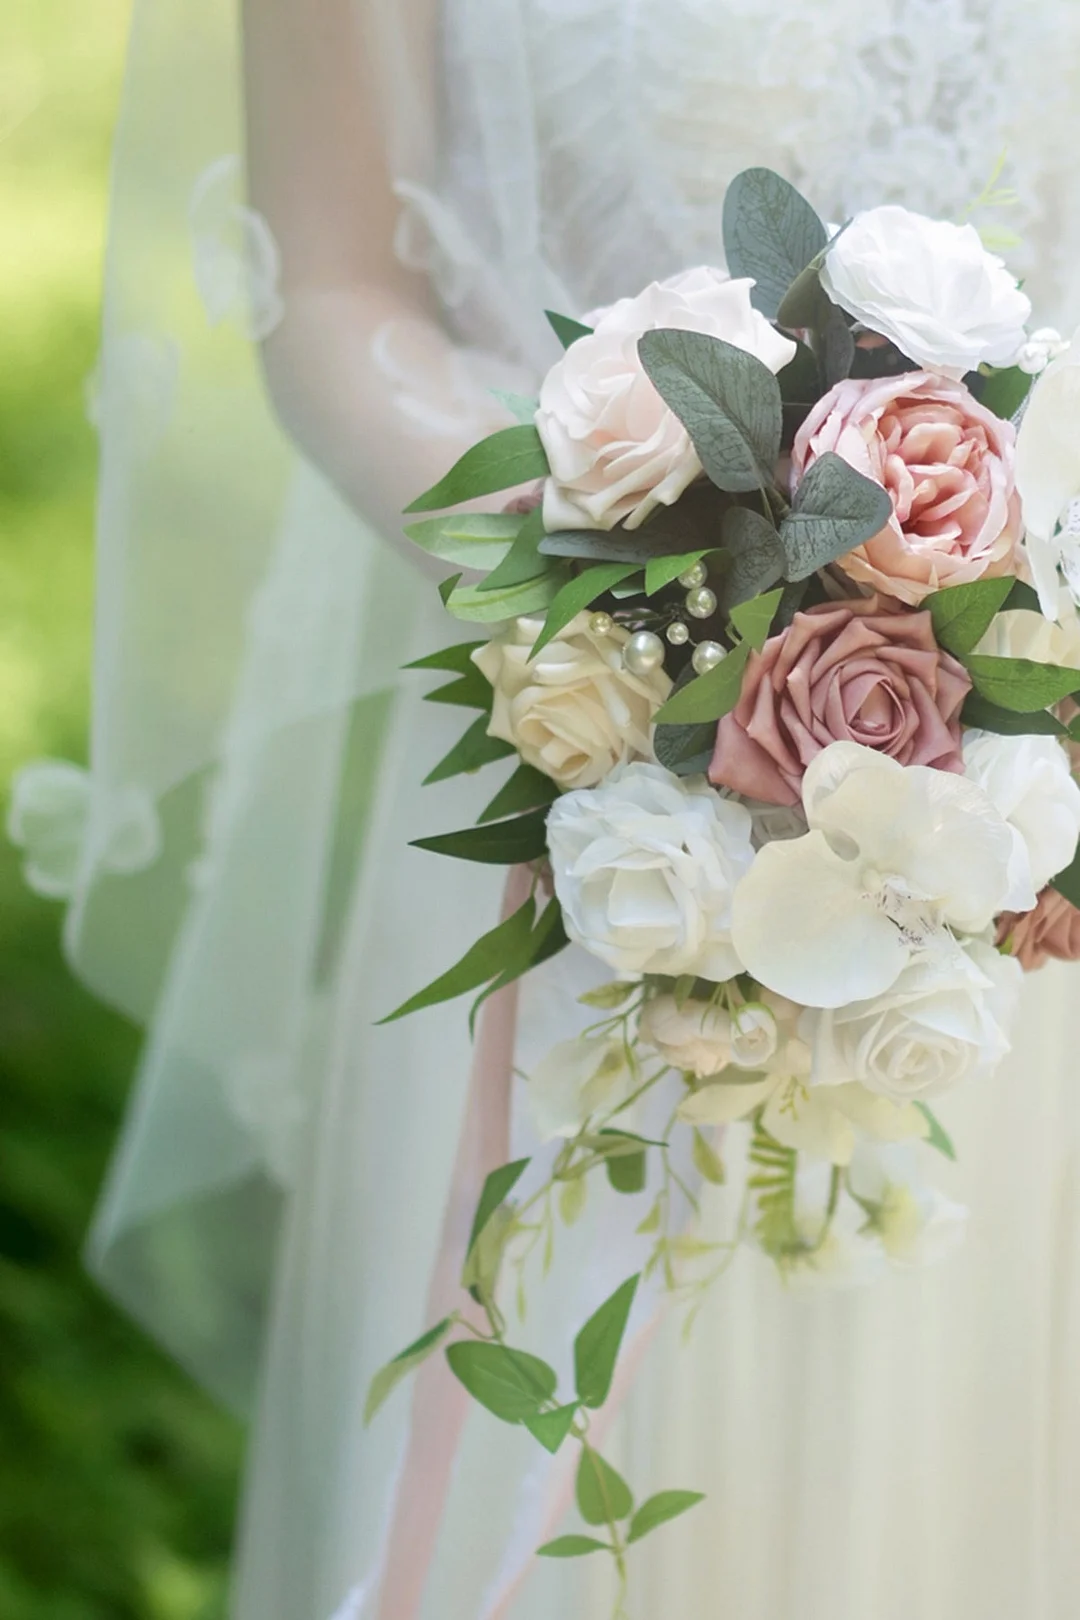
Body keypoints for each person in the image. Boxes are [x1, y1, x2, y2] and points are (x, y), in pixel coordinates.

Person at [15, 0, 1080, 1615]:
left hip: (1019, 791)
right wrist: (647, 590)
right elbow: (332, 282)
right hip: (588, 800)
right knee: (582, 1461)